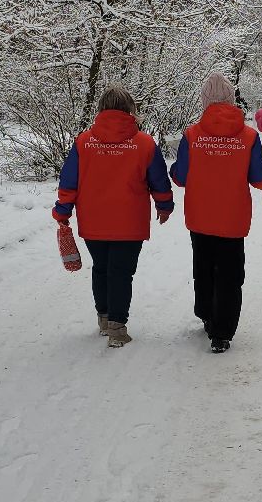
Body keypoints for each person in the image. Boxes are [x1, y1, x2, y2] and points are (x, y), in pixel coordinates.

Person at [52, 87, 173, 347]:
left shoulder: (83, 142)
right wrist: (164, 206)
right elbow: (159, 180)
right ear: (130, 109)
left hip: (93, 220)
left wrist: (62, 210)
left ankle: (104, 318)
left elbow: (69, 181)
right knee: (121, 272)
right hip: (130, 222)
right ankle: (117, 328)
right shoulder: (144, 143)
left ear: (101, 109)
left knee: (101, 268)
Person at [169, 72, 262, 354]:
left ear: (204, 102)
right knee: (229, 274)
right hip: (233, 219)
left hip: (200, 218)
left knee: (203, 268)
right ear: (231, 100)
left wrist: (174, 169)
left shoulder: (191, 135)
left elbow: (180, 177)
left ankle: (206, 314)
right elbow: (260, 179)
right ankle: (222, 333)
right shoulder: (249, 137)